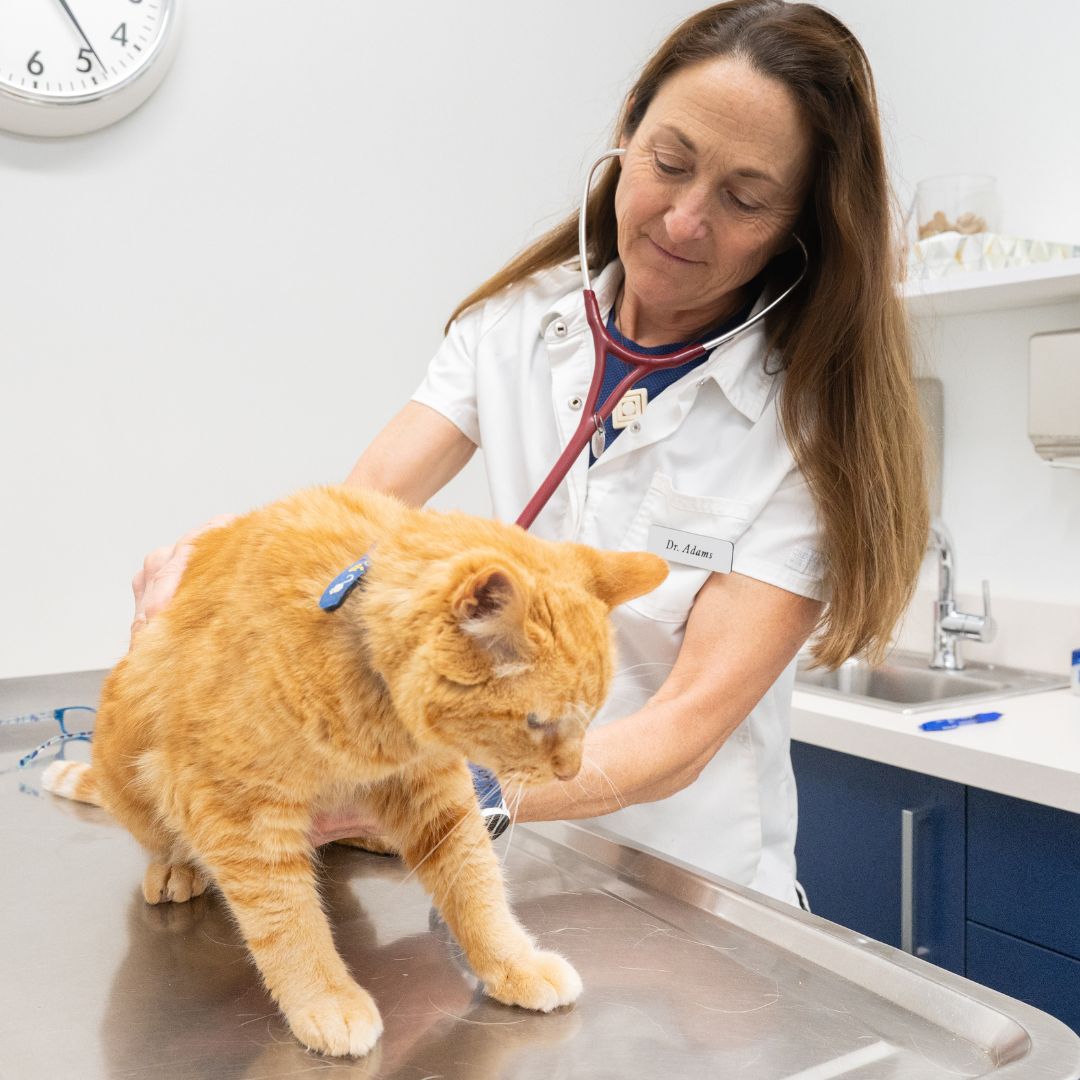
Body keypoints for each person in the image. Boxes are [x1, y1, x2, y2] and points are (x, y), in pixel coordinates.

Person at [132, 0, 928, 907]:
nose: (682, 220)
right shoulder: (513, 328)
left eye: (744, 200)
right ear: (628, 125)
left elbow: (685, 729)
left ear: (800, 225)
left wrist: (465, 791)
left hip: (694, 911)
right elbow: (359, 522)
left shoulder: (809, 432)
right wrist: (219, 571)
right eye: (668, 163)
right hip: (511, 878)